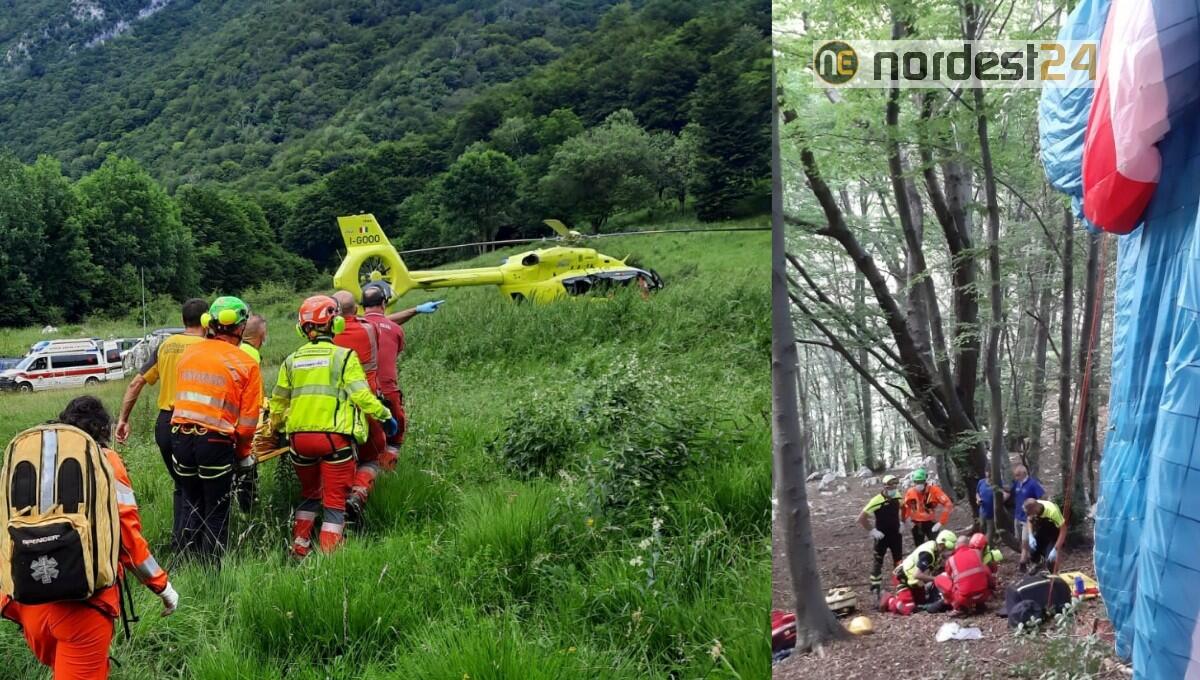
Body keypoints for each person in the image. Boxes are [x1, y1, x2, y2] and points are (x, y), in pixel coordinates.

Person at [1, 396, 179, 679]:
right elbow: (127, 537)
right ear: (102, 430)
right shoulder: (106, 460)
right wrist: (163, 587)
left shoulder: (32, 456)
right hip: (82, 610)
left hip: (27, 599)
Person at [270, 296, 398, 557]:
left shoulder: (291, 360)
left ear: (302, 328)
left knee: (309, 494)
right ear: (335, 323)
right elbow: (361, 396)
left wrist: (277, 429)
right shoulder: (344, 357)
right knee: (334, 502)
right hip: (333, 440)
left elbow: (278, 403)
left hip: (298, 442)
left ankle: (300, 547)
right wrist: (385, 416)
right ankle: (330, 556)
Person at [170, 296, 262, 564]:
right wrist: (243, 455)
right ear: (240, 327)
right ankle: (212, 573)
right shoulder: (246, 363)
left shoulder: (189, 353)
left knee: (192, 503)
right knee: (217, 510)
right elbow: (246, 425)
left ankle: (186, 563)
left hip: (180, 440)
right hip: (215, 442)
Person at [114, 297, 208, 550]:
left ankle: (179, 541)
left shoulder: (166, 346)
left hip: (165, 423)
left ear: (183, 321)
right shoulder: (209, 346)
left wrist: (123, 419)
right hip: (195, 422)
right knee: (197, 485)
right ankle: (193, 546)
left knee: (181, 484)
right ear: (206, 320)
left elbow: (136, 383)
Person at [360, 280, 445, 450]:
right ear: (384, 303)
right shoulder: (395, 329)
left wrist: (415, 310)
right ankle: (388, 466)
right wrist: (416, 310)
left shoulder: (353, 328)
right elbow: (386, 328)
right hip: (388, 393)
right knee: (395, 439)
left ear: (362, 306)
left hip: (359, 394)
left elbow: (373, 323)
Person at [331, 290, 391, 517]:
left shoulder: (326, 336)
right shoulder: (369, 328)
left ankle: (336, 501)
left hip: (336, 407)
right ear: (355, 309)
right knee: (372, 456)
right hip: (366, 401)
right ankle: (358, 493)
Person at [235, 314, 268, 512]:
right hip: (244, 420)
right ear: (261, 335)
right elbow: (252, 395)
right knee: (247, 467)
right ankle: (248, 509)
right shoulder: (251, 355)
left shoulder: (236, 348)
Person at [881, 530, 957, 616]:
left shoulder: (936, 550)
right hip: (902, 578)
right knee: (907, 608)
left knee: (921, 604)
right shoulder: (928, 554)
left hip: (914, 582)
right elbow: (917, 574)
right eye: (948, 548)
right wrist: (937, 579)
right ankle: (889, 600)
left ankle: (905, 597)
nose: (949, 552)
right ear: (941, 545)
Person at [857, 474, 904, 595]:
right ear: (885, 487)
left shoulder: (898, 496)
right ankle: (875, 586)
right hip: (881, 536)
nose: (893, 489)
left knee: (898, 560)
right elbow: (861, 518)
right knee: (878, 561)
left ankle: (900, 584)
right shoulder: (876, 500)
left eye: (895, 486)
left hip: (896, 534)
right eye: (890, 487)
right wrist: (872, 531)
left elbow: (904, 507)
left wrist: (902, 522)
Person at [933, 530, 995, 614]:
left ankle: (958, 607)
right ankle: (980, 604)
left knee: (938, 579)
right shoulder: (977, 553)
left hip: (964, 599)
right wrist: (991, 590)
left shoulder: (951, 560)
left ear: (956, 546)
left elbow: (950, 578)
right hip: (983, 595)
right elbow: (987, 574)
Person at [1001, 464, 1045, 569]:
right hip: (1017, 517)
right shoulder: (1017, 484)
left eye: (1017, 475)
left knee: (1025, 541)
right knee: (1020, 541)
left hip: (1028, 519)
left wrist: (1037, 512)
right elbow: (1009, 492)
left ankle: (1023, 563)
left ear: (1024, 474)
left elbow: (1042, 497)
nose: (1016, 477)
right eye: (1015, 475)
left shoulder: (1033, 484)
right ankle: (1030, 559)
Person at [901, 468, 953, 546]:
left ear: (925, 480)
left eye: (920, 481)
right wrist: (904, 521)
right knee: (919, 548)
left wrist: (941, 522)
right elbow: (905, 507)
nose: (918, 484)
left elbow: (948, 504)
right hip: (917, 524)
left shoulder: (934, 490)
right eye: (916, 482)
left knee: (936, 545)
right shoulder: (910, 492)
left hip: (931, 523)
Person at [1022, 498, 1065, 572]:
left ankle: (1054, 576)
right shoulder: (1032, 509)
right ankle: (1039, 563)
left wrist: (1056, 549)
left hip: (1054, 535)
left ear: (1035, 509)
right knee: (1032, 552)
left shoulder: (1052, 511)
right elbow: (1029, 521)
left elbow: (1063, 530)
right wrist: (1030, 535)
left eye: (1031, 513)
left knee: (1050, 561)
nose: (1029, 515)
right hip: (1042, 532)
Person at [976, 468, 996, 541]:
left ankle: (988, 546)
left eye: (990, 472)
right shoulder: (981, 482)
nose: (989, 473)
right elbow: (977, 493)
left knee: (990, 532)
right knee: (982, 527)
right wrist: (978, 499)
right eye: (987, 471)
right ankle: (983, 542)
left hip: (992, 512)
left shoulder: (996, 483)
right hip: (982, 511)